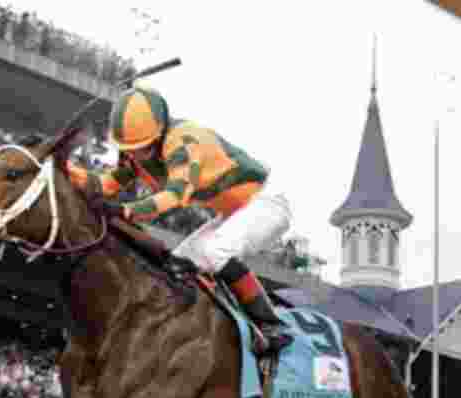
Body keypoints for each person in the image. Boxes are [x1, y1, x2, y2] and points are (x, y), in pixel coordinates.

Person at [67, 85, 292, 354]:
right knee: (177, 262)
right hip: (234, 212)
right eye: (130, 148)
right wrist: (62, 168)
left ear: (160, 131)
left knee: (214, 252)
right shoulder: (135, 152)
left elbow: (174, 196)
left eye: (143, 147)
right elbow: (104, 185)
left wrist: (127, 211)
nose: (135, 154)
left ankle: (270, 325)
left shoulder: (184, 140)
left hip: (267, 201)